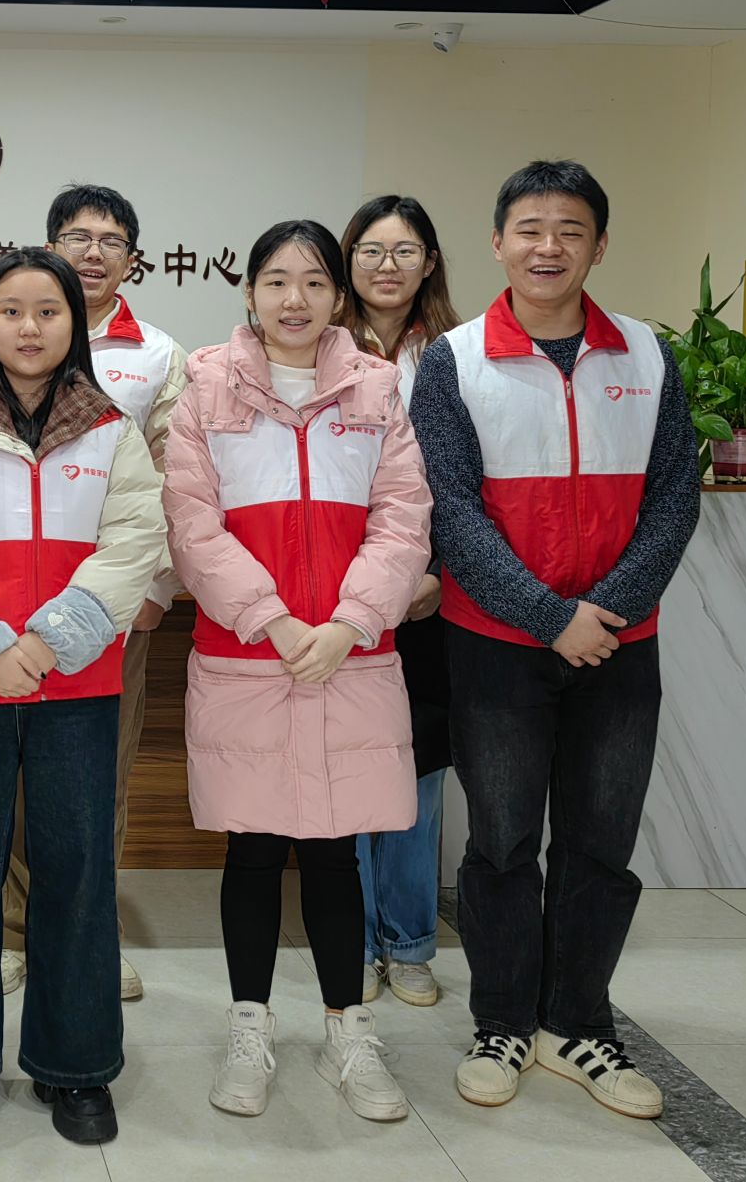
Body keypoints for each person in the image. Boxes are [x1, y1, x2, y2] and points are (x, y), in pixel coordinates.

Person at [410, 160, 699, 1120]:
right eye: (529, 229)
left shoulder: (647, 355)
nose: (548, 246)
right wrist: (548, 616)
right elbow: (450, 510)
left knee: (601, 841)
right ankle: (501, 1021)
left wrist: (602, 613)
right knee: (500, 844)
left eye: (570, 230)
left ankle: (578, 1023)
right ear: (497, 243)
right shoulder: (455, 361)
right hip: (495, 645)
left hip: (619, 644)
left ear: (599, 246)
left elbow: (674, 497)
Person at [163, 220, 431, 1123]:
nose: (295, 299)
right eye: (276, 281)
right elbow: (192, 526)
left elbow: (403, 518)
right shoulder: (205, 389)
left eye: (315, 282)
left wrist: (350, 622)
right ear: (249, 293)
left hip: (351, 658)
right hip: (249, 656)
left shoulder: (377, 390)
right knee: (251, 847)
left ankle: (348, 1032)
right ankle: (249, 1028)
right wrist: (274, 621)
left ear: (338, 297)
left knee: (334, 850)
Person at [0, 248, 164, 1147]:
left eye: (48, 311)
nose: (29, 326)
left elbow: (133, 543)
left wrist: (49, 642)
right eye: (10, 309)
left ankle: (75, 1065)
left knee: (77, 875)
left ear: (73, 323)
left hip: (77, 682)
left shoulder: (114, 431)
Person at [0, 184, 185, 1003]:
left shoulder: (159, 356)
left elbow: (179, 480)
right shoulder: (7, 337)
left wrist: (155, 588)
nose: (94, 252)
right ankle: (14, 933)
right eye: (77, 237)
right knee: (13, 772)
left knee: (97, 776)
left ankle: (85, 935)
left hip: (114, 607)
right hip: (11, 603)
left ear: (132, 259)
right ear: (50, 247)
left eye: (112, 240)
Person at [339, 196, 463, 1010]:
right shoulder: (319, 347)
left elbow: (472, 485)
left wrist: (438, 575)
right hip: (340, 596)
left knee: (418, 772)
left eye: (405, 250)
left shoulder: (457, 355)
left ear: (430, 263)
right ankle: (350, 940)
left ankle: (410, 941)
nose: (388, 266)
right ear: (347, 260)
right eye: (372, 250)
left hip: (428, 600)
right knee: (346, 766)